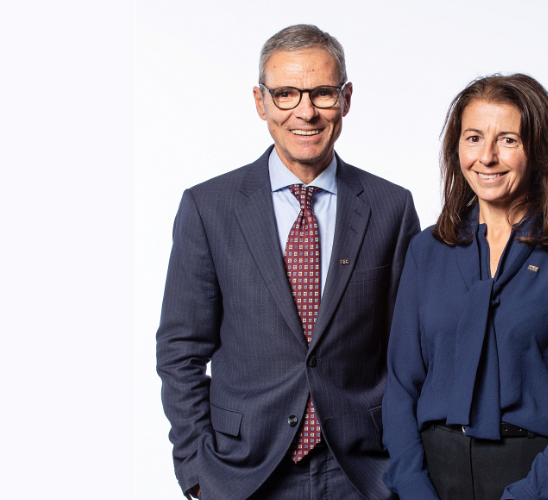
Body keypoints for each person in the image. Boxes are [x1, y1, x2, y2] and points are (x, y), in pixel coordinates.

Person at [156, 24, 420, 500]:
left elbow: (412, 351)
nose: (306, 111)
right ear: (260, 102)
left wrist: (405, 465)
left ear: (346, 98)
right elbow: (180, 349)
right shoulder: (208, 207)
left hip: (362, 474)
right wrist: (196, 468)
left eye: (322, 93)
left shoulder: (391, 207)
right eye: (285, 94)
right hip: (244, 472)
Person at [381, 74, 548, 500]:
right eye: (473, 137)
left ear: (538, 150)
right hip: (432, 476)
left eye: (508, 140)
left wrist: (533, 493)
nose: (486, 157)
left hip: (538, 477)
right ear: (457, 148)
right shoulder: (427, 250)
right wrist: (414, 486)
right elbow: (401, 384)